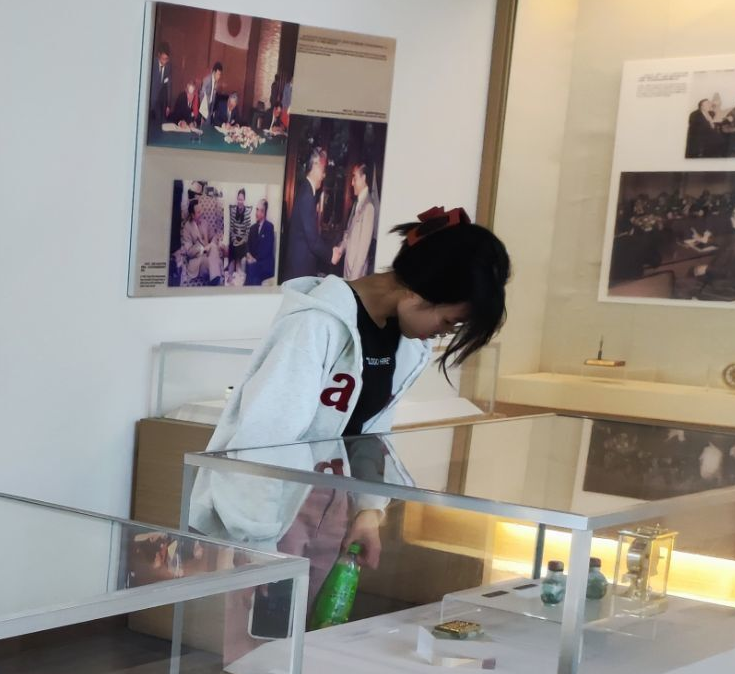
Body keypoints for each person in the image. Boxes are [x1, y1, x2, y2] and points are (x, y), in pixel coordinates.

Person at [189, 208, 511, 566]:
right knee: (264, 602)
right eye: (450, 322)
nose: (443, 334)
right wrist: (256, 542)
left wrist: (367, 512)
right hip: (269, 510)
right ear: (419, 291)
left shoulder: (402, 342)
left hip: (331, 503)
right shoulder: (317, 325)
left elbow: (370, 432)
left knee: (321, 604)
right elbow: (265, 435)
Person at [280, 145, 335, 280]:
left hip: (299, 267)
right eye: (323, 169)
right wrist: (331, 255)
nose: (324, 175)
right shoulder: (307, 196)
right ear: (315, 166)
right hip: (299, 271)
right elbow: (313, 240)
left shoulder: (306, 190)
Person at [335, 163, 377, 280]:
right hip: (347, 270)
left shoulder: (369, 207)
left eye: (355, 178)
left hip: (356, 275)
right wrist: (340, 249)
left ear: (363, 178)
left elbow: (362, 253)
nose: (352, 183)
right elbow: (348, 234)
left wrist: (353, 281)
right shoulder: (356, 204)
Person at [149, 43, 174, 139]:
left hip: (160, 102)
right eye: (163, 59)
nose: (165, 61)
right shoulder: (152, 63)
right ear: (159, 55)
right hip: (150, 100)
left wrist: (168, 105)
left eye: (167, 59)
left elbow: (169, 86)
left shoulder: (168, 66)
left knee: (160, 125)